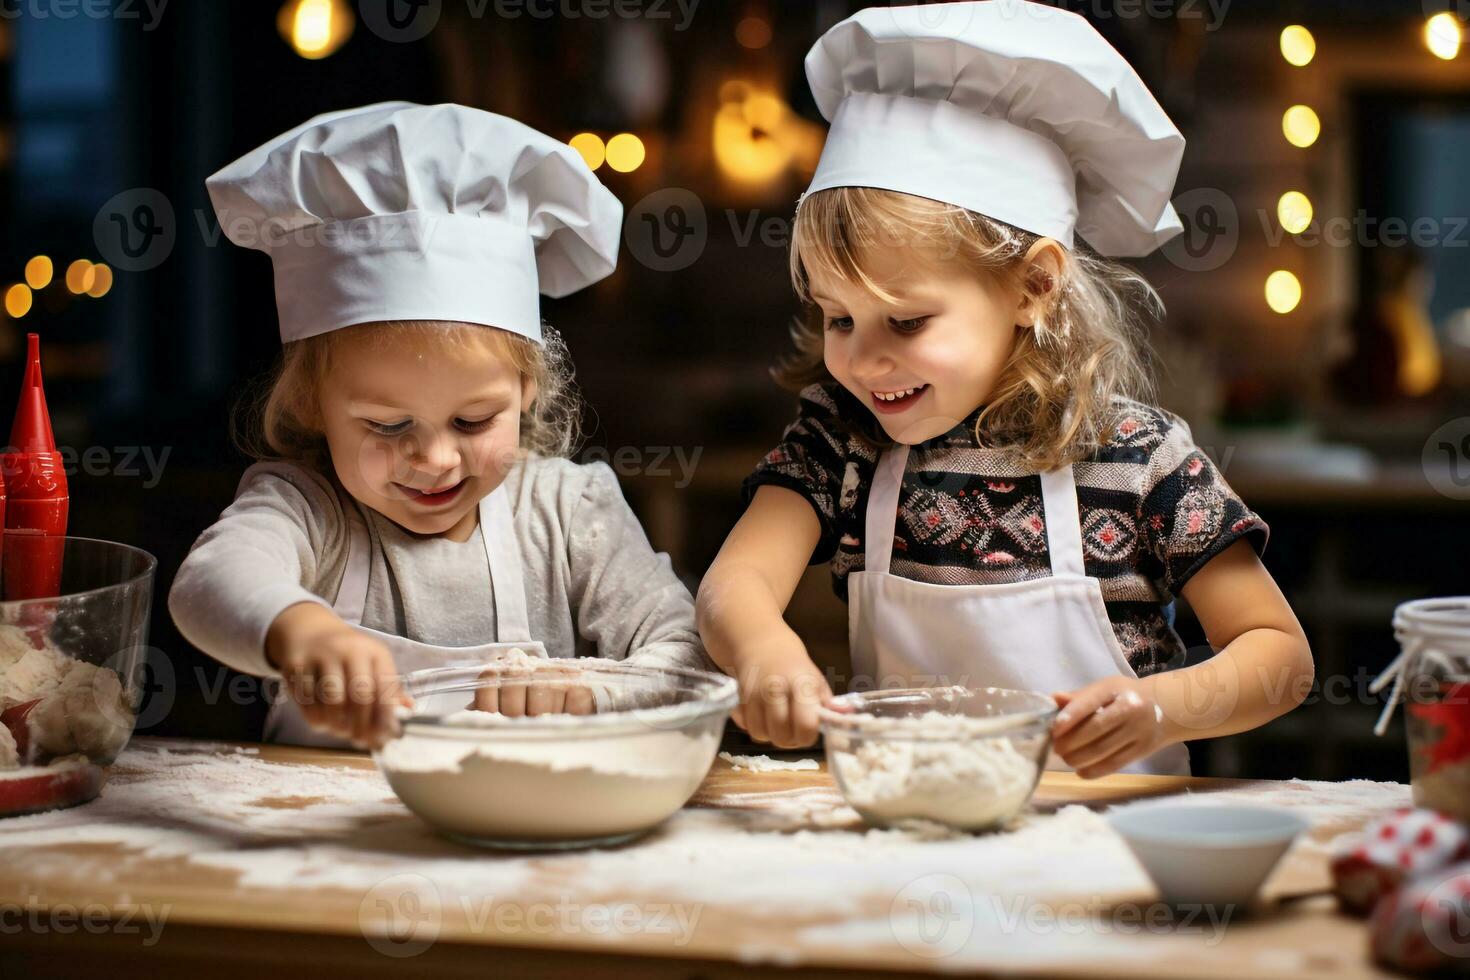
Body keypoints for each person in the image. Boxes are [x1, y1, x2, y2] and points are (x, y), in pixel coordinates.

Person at [696, 2, 1314, 777]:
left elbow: (1280, 658)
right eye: (838, 318)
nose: (863, 359)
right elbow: (736, 584)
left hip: (1108, 855)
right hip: (911, 846)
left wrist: (1161, 709)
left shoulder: (1138, 459)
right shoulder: (840, 441)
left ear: (1033, 286)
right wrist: (764, 650)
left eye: (908, 321)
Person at [170, 102, 709, 750]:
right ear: (312, 402)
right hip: (335, 841)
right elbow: (208, 583)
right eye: (388, 424)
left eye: (473, 419)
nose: (435, 458)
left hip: (528, 840)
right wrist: (301, 629)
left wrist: (592, 690)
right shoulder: (307, 511)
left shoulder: (567, 513)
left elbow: (689, 658)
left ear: (526, 392)